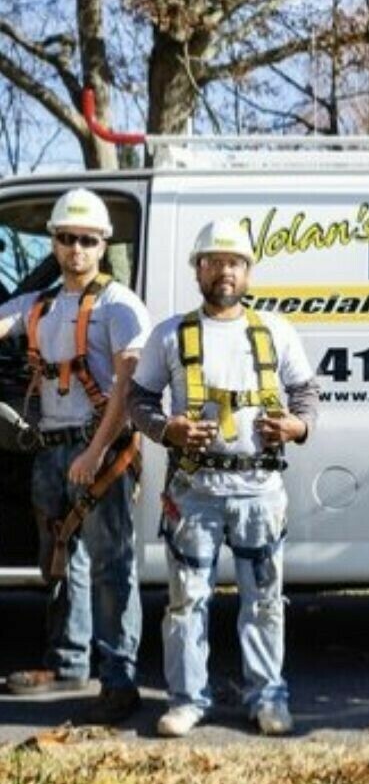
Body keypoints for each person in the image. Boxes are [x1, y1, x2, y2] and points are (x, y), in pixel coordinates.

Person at [128, 219, 318, 737]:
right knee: (187, 600)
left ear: (247, 271)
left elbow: (306, 395)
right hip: (195, 494)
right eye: (213, 262)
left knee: (263, 598)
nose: (224, 271)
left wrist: (296, 426)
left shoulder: (276, 331)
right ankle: (188, 700)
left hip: (260, 491)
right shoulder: (170, 335)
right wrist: (168, 429)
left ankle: (267, 697)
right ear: (198, 270)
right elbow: (138, 401)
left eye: (233, 262)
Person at [0, 188, 148, 724]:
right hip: (52, 452)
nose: (76, 249)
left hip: (101, 451)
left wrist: (95, 452)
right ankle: (67, 662)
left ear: (103, 244)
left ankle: (119, 678)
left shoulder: (119, 306)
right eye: (67, 238)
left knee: (112, 566)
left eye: (87, 240)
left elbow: (129, 390)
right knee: (62, 559)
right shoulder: (38, 306)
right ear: (54, 242)